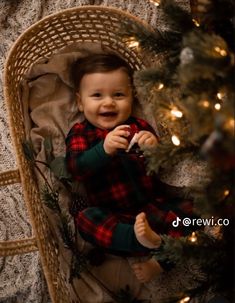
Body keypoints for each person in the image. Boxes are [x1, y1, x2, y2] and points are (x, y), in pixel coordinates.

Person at [65, 53, 190, 282]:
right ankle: (141, 241)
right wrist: (103, 149)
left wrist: (153, 147)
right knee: (84, 219)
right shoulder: (81, 133)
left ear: (131, 97)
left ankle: (159, 261)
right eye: (96, 95)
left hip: (149, 207)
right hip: (112, 217)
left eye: (119, 94)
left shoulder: (138, 126)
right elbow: (76, 167)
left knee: (193, 215)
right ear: (80, 102)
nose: (109, 102)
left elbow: (159, 166)